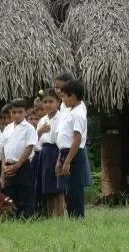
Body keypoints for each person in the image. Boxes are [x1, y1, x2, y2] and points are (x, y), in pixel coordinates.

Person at [55, 80, 89, 219]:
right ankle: (72, 216)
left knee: (74, 188)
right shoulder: (69, 111)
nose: (63, 100)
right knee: (67, 189)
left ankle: (78, 217)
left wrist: (68, 161)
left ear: (73, 96)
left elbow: (77, 139)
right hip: (64, 152)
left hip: (73, 153)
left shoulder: (79, 113)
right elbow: (63, 138)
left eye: (64, 97)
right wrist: (59, 159)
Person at [0, 98, 38, 218]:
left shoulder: (29, 128)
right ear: (10, 113)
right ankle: (12, 217)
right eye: (14, 112)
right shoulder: (7, 128)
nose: (17, 115)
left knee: (25, 191)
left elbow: (29, 147)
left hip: (23, 165)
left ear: (26, 112)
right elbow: (3, 148)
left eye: (20, 112)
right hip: (9, 165)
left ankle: (26, 217)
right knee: (10, 193)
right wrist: (4, 165)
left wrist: (18, 165)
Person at [37, 88, 65, 217]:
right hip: (44, 153)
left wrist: (60, 158)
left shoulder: (61, 119)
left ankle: (59, 214)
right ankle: (49, 214)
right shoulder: (42, 120)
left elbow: (62, 140)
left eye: (51, 101)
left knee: (58, 187)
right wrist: (39, 132)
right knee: (46, 186)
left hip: (56, 151)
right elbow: (35, 142)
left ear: (58, 102)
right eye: (45, 102)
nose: (48, 104)